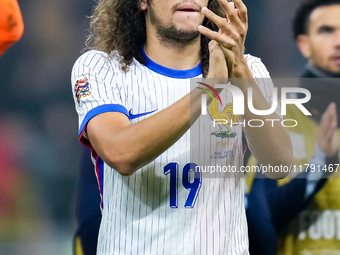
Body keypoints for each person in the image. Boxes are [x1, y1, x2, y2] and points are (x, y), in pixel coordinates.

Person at [71, 0, 294, 254]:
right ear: (143, 2)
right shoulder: (102, 69)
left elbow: (281, 163)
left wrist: (239, 69)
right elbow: (120, 153)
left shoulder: (248, 70)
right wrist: (209, 89)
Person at [245, 0, 340, 254]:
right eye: (327, 30)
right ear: (303, 44)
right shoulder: (279, 117)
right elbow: (259, 217)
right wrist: (323, 161)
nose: (339, 41)